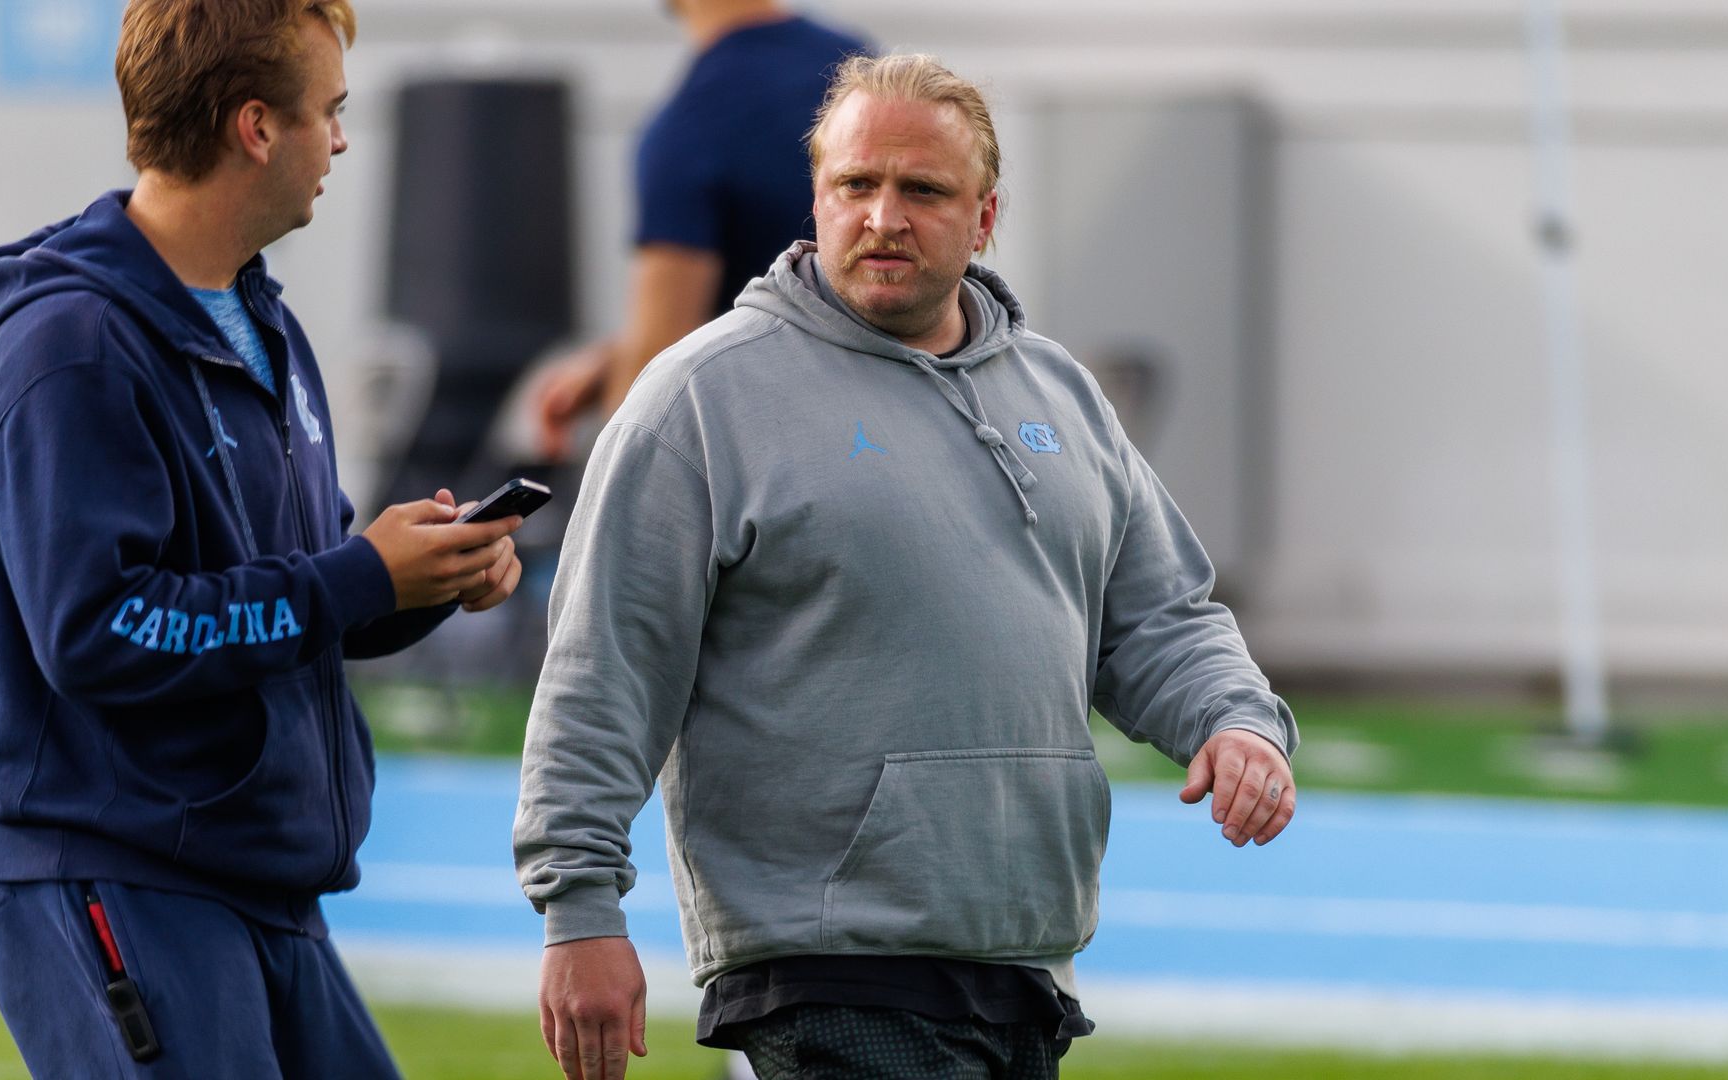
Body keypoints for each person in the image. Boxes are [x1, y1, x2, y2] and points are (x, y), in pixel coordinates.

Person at [515, 52, 1299, 1080]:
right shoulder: (702, 399)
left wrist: (1234, 721)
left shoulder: (1058, 392)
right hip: (828, 966)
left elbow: (1159, 617)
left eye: (922, 190)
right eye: (856, 185)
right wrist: (578, 908)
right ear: (817, 198)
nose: (883, 217)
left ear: (984, 218)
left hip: (1022, 957)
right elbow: (602, 668)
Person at [0, 2, 525, 1075]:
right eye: (330, 111)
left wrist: (421, 579)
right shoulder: (73, 345)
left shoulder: (264, 323)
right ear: (256, 127)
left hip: (259, 884)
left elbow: (298, 599)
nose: (342, 142)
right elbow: (101, 630)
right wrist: (357, 579)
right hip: (122, 877)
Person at [530, 0, 868, 460]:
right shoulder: (856, 70)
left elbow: (651, 386)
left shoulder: (689, 130)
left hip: (790, 459)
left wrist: (628, 381)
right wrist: (617, 357)